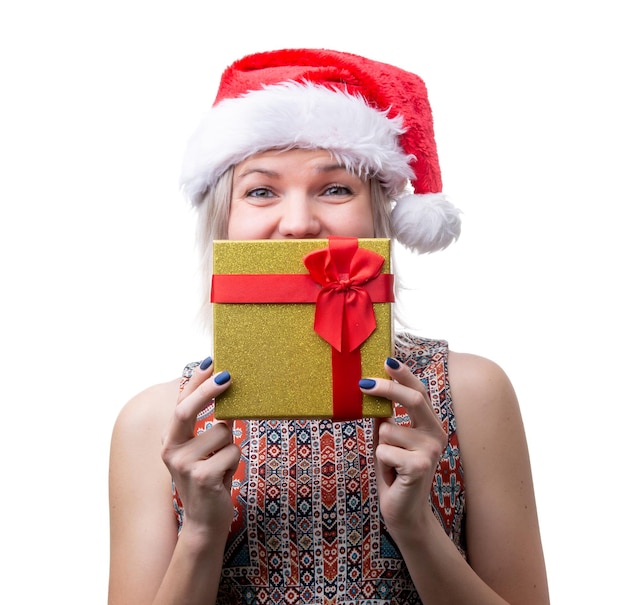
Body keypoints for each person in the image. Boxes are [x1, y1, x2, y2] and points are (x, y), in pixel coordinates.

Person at [108, 48, 550, 605]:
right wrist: (200, 533)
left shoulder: (471, 394)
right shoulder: (152, 423)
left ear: (379, 216)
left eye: (336, 188)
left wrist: (416, 529)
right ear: (224, 222)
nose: (298, 225)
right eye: (261, 190)